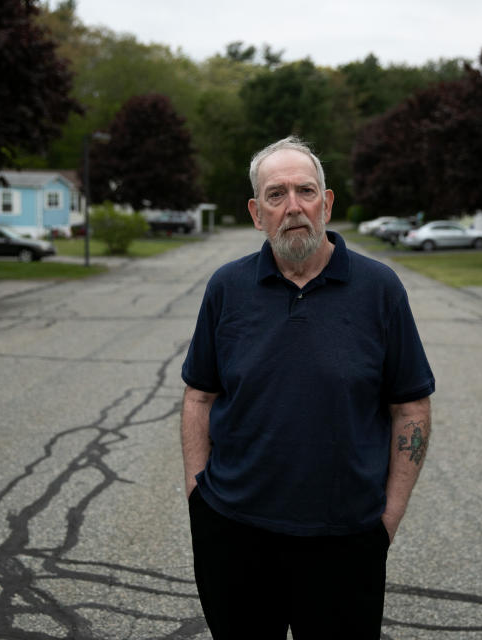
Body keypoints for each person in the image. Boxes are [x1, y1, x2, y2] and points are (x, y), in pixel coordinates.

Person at [180, 136, 434, 639]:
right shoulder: (226, 288)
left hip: (346, 539)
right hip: (234, 534)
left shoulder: (379, 289)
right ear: (257, 213)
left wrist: (388, 518)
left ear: (328, 202)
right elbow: (199, 396)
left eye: (306, 191)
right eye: (276, 195)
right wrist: (198, 500)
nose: (293, 206)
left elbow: (411, 407)